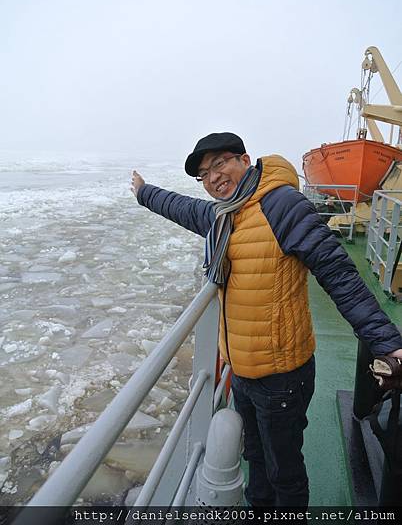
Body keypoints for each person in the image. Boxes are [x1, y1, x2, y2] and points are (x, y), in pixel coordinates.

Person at [131, 132, 402, 508]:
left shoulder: (282, 205)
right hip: (242, 372)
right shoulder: (225, 215)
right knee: (255, 457)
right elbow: (181, 207)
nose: (213, 177)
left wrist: (387, 342)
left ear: (244, 160)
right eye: (204, 174)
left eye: (220, 163)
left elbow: (338, 274)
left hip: (281, 378)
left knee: (284, 471)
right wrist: (144, 192)